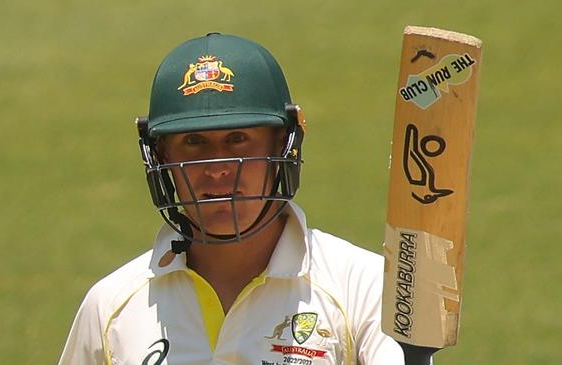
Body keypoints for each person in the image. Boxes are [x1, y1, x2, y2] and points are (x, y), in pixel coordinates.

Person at [58, 33, 406, 365]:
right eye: (194, 142)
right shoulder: (111, 307)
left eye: (238, 138)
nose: (218, 168)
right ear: (161, 157)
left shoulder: (365, 287)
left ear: (283, 146)